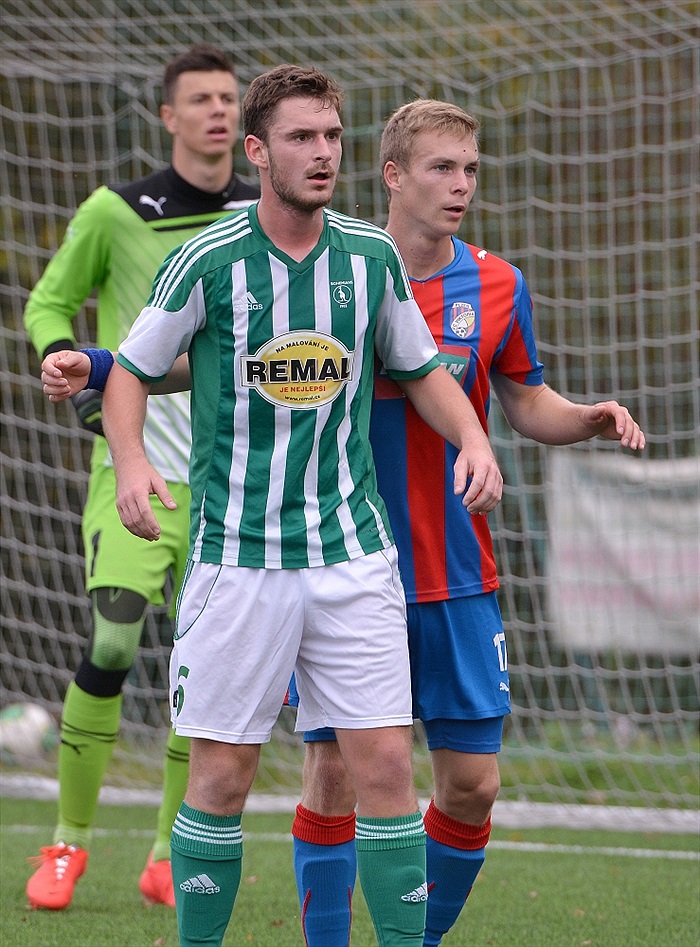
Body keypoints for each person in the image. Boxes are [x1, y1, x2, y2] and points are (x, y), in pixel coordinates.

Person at [95, 66, 504, 947]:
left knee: (388, 766)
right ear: (257, 150)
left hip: (352, 553)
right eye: (300, 138)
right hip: (237, 557)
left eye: (331, 137)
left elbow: (423, 368)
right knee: (224, 779)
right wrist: (131, 463)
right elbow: (130, 371)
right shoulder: (208, 258)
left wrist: (473, 438)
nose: (322, 155)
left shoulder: (370, 256)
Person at [288, 99, 646, 947]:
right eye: (443, 168)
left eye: (471, 169)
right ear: (393, 175)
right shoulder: (329, 271)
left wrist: (583, 416)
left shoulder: (496, 282)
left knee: (472, 785)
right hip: (345, 563)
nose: (460, 186)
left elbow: (523, 398)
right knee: (335, 768)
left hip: (457, 567)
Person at [23, 44, 259, 912]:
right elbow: (48, 302)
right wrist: (69, 369)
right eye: (198, 100)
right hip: (132, 467)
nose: (217, 112)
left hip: (233, 478)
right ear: (167, 117)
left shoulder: (268, 217)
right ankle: (66, 845)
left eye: (229, 99)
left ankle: (166, 849)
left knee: (205, 673)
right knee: (115, 640)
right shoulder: (117, 211)